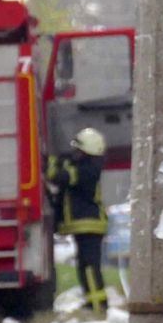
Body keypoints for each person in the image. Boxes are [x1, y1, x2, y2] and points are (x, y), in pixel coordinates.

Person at [46, 127, 109, 313]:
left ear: (86, 152)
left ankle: (98, 306)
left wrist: (51, 161)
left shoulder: (86, 171)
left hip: (89, 225)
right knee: (85, 265)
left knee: (89, 266)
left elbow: (57, 178)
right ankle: (94, 303)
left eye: (77, 151)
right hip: (88, 226)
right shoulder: (86, 168)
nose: (74, 154)